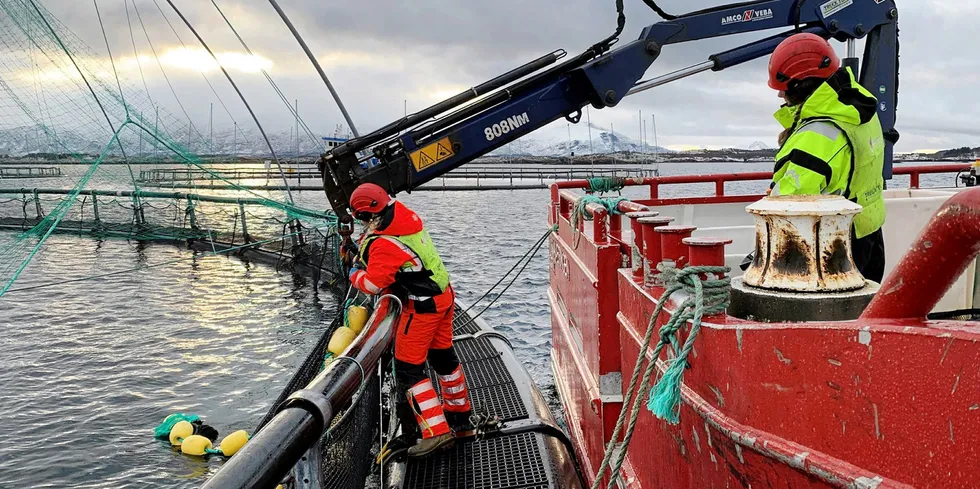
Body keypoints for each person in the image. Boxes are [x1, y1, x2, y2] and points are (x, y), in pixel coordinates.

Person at [347, 183, 472, 458]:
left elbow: (374, 283)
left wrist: (354, 272)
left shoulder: (382, 244)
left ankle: (435, 432)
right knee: (443, 358)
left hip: (422, 307)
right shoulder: (404, 219)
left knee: (408, 370)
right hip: (444, 296)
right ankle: (460, 419)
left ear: (364, 216)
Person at [767, 33, 886, 282]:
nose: (780, 96)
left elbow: (786, 209)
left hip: (835, 250)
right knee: (862, 314)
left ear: (801, 86)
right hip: (869, 234)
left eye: (784, 88)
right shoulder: (858, 110)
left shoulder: (814, 137)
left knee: (828, 320)